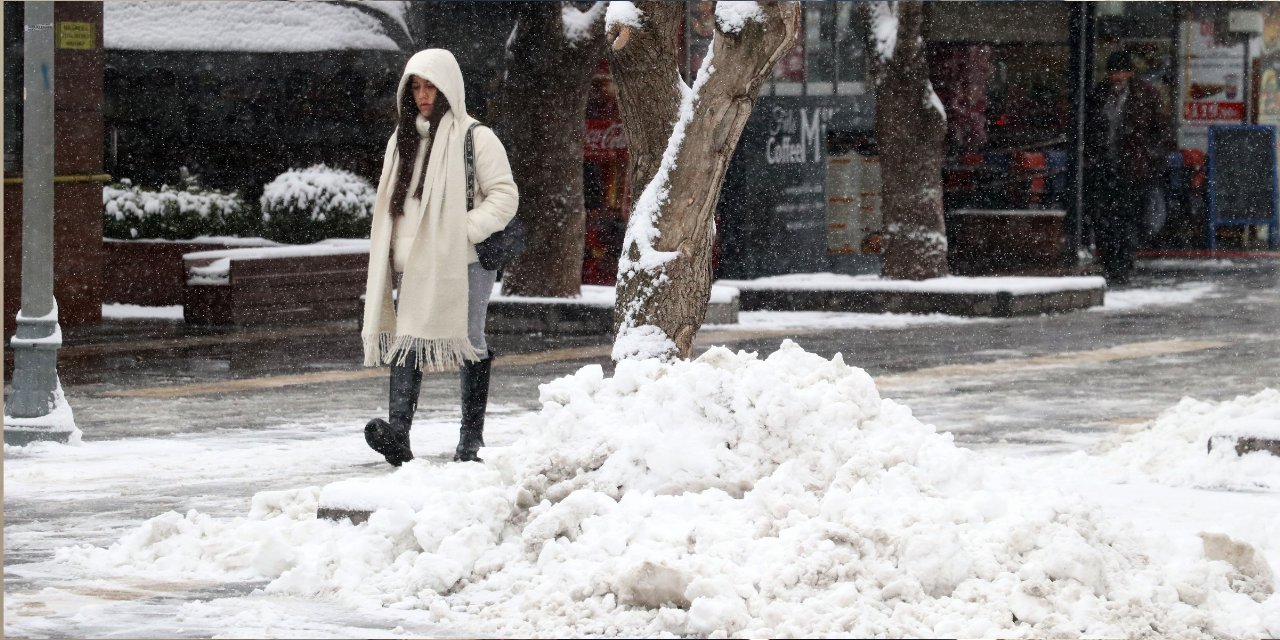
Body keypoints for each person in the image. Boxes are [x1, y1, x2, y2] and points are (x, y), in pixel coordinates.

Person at [361, 49, 518, 466]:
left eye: (430, 85)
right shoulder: (403, 139)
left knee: (468, 339)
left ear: (449, 87)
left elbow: (505, 196)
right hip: (414, 262)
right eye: (415, 86)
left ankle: (471, 441)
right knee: (407, 338)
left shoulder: (476, 137)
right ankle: (399, 434)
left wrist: (460, 233)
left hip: (463, 260)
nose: (422, 95)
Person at [1084, 51, 1171, 285]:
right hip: (1105, 165)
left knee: (1128, 217)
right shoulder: (1099, 95)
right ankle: (1113, 261)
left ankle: (1122, 261)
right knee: (1106, 218)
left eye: (1121, 72)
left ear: (1130, 73)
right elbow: (1090, 127)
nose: (1117, 77)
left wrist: (1150, 157)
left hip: (1133, 168)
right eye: (1113, 72)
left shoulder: (1145, 95)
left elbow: (1161, 130)